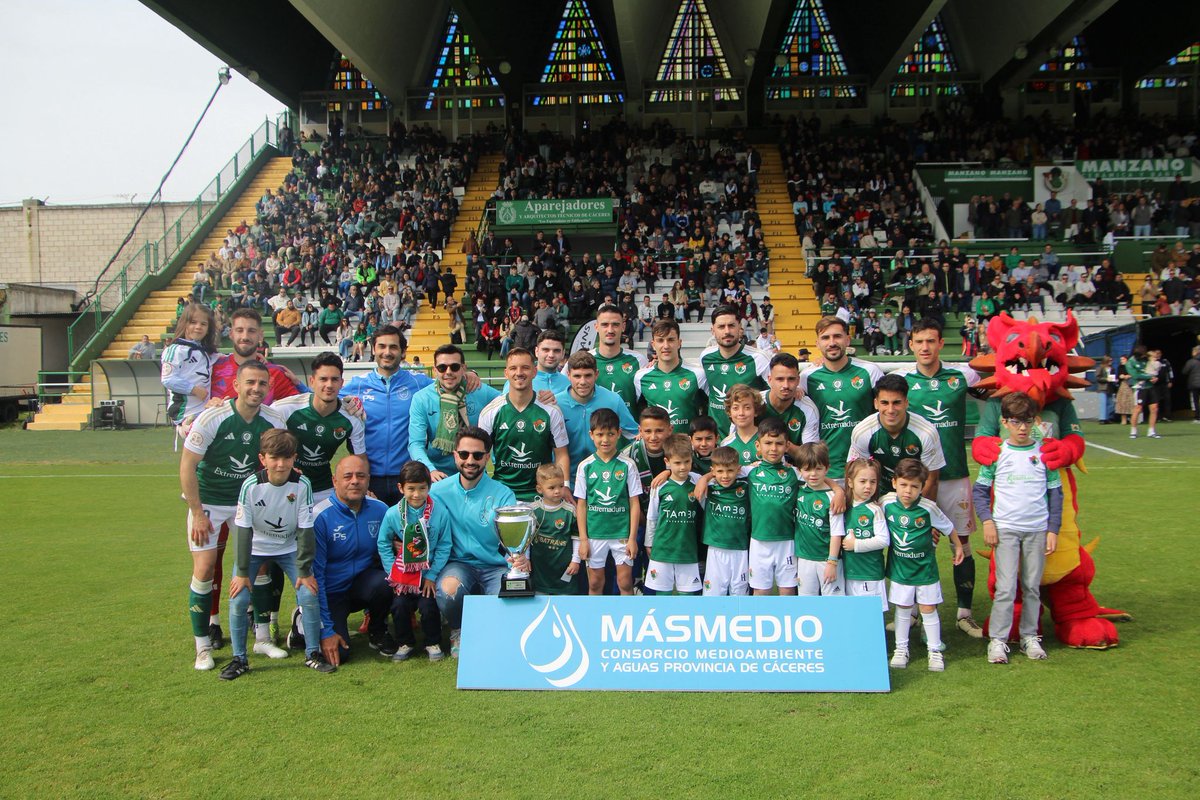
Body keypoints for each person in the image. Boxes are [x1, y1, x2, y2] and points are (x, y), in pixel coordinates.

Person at [180, 361, 286, 670]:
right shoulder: (212, 417)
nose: (256, 388)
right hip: (210, 503)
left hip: (248, 504)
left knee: (261, 566)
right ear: (237, 385)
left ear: (269, 388)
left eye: (262, 383)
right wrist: (197, 512)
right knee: (204, 568)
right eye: (250, 382)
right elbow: (187, 466)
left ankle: (263, 638)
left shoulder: (273, 420)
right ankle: (203, 647)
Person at [891, 319, 984, 635]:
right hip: (917, 481)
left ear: (941, 344)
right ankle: (915, 613)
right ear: (911, 345)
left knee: (962, 543)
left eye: (931, 341)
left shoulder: (962, 376)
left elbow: (996, 378)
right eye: (919, 341)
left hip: (955, 475)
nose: (925, 347)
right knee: (916, 543)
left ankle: (964, 613)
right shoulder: (903, 380)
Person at [220, 430, 329, 679]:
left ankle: (313, 654)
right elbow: (243, 530)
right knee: (238, 598)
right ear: (263, 459)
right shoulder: (250, 485)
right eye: (274, 458)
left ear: (294, 458)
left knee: (308, 594)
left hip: (289, 548)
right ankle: (239, 659)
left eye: (286, 458)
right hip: (255, 549)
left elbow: (305, 529)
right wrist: (242, 572)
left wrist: (304, 570)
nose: (281, 464)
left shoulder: (302, 484)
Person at [975, 392, 1063, 664]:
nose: (1022, 428)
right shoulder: (998, 453)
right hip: (1006, 530)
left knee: (1032, 586)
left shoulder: (1044, 453)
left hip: (1037, 529)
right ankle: (998, 640)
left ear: (1035, 420)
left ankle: (1029, 636)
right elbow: (980, 491)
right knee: (1005, 588)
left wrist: (1053, 529)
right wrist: (987, 521)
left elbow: (1056, 493)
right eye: (1015, 422)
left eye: (1027, 421)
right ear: (1004, 422)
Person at [426, 427, 519, 658]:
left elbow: (514, 538)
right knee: (449, 591)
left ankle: (488, 633)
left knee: (509, 599)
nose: (470, 461)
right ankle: (458, 630)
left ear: (487, 457)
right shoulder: (437, 492)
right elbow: (412, 519)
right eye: (464, 454)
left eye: (477, 455)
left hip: (495, 566)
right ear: (455, 455)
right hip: (457, 565)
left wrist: (519, 558)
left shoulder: (503, 493)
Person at [309, 455, 395, 667]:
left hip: (362, 587)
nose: (355, 481)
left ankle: (377, 630)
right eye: (348, 476)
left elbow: (392, 548)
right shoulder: (320, 516)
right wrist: (326, 631)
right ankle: (302, 622)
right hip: (332, 593)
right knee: (340, 654)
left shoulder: (381, 510)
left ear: (368, 480)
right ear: (334, 481)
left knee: (386, 581)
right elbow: (315, 575)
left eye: (361, 476)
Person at [881, 458, 965, 672]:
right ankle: (901, 649)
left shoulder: (928, 508)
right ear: (894, 482)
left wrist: (958, 546)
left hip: (925, 570)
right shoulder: (886, 502)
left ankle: (934, 651)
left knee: (928, 609)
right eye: (903, 485)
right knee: (903, 608)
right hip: (900, 571)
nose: (908, 491)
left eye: (914, 486)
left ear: (922, 487)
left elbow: (948, 527)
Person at [340, 325, 435, 506]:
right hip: (369, 478)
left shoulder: (419, 382)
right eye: (382, 346)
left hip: (408, 477)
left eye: (393, 347)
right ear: (373, 350)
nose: (387, 352)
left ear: (403, 352)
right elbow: (323, 396)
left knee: (408, 524)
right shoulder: (357, 385)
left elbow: (448, 383)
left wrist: (471, 375)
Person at [799, 316, 885, 484]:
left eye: (837, 336)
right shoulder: (806, 377)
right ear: (817, 343)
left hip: (864, 470)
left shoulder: (870, 371)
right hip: (825, 471)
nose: (831, 343)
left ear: (847, 339)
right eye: (825, 338)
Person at [272, 353, 366, 503]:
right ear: (312, 381)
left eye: (334, 379)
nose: (329, 385)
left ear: (341, 383)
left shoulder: (352, 417)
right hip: (286, 486)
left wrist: (364, 490)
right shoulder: (284, 409)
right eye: (323, 379)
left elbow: (360, 459)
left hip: (324, 489)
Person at [479, 348, 570, 501]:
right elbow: (480, 455)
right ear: (506, 373)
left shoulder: (551, 411)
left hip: (542, 494)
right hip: (503, 493)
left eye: (525, 368)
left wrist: (565, 485)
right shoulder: (490, 412)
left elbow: (561, 454)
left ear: (534, 372)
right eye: (513, 368)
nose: (519, 373)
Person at [377, 461, 444, 662]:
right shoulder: (392, 514)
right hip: (403, 576)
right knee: (399, 606)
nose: (416, 494)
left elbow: (445, 545)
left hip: (427, 575)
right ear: (401, 488)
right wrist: (392, 572)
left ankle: (432, 642)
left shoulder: (439, 512)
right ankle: (404, 642)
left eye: (422, 488)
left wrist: (432, 576)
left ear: (429, 487)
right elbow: (383, 543)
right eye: (411, 489)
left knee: (428, 606)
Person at [575, 408, 643, 596]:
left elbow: (634, 503)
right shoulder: (585, 466)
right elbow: (581, 505)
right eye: (600, 434)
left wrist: (632, 539)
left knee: (625, 582)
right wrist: (583, 539)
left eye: (610, 434)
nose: (605, 439)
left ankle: (627, 614)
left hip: (621, 533)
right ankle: (594, 615)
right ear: (591, 435)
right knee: (595, 583)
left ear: (619, 434)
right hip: (595, 533)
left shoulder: (628, 465)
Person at [409, 344, 501, 481]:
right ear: (434, 370)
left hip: (475, 474)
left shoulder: (479, 391)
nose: (448, 372)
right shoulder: (422, 399)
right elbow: (416, 444)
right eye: (442, 367)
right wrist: (430, 470)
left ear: (463, 368)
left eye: (455, 367)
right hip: (439, 476)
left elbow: (509, 399)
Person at [847, 373, 945, 492]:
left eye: (896, 403)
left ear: (906, 403)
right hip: (877, 493)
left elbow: (931, 480)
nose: (890, 410)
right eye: (884, 403)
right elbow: (855, 475)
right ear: (876, 403)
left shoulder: (926, 433)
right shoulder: (862, 432)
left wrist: (918, 505)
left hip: (912, 495)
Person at [554, 350, 640, 478]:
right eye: (577, 376)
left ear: (596, 374)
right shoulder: (556, 404)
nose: (583, 382)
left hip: (605, 479)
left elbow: (636, 436)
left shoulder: (613, 400)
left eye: (588, 375)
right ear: (568, 375)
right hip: (567, 481)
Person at [744, 417, 801, 596]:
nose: (773, 449)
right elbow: (721, 472)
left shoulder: (795, 473)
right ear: (758, 445)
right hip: (759, 540)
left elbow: (818, 477)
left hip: (787, 540)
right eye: (768, 443)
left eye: (779, 443)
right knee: (761, 591)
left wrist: (837, 491)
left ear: (787, 445)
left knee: (788, 590)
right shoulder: (749, 471)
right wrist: (704, 480)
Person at [643, 433, 702, 595]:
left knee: (688, 596)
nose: (683, 467)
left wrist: (706, 478)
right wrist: (649, 542)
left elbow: (715, 477)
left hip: (687, 550)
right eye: (677, 463)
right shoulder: (659, 485)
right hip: (662, 549)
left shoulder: (697, 481)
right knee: (663, 595)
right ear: (667, 461)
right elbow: (652, 517)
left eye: (687, 462)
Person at [699, 305, 771, 434]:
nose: (727, 331)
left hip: (750, 439)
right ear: (713, 330)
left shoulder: (759, 358)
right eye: (721, 327)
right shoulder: (705, 357)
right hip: (716, 439)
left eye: (731, 325)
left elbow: (774, 394)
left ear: (740, 328)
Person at [633, 319, 708, 433]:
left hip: (686, 443)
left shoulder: (698, 374)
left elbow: (708, 411)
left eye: (671, 340)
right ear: (653, 345)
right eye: (660, 340)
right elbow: (637, 412)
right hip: (656, 443)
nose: (666, 346)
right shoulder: (641, 377)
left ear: (679, 343)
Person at [792, 442, 846, 597]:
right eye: (807, 469)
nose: (813, 474)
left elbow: (836, 533)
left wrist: (832, 562)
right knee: (807, 602)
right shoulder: (799, 489)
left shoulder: (833, 498)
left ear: (827, 469)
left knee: (833, 603)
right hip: (804, 559)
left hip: (826, 560)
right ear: (800, 470)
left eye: (818, 469)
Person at [839, 458, 891, 612]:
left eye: (873, 482)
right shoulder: (844, 506)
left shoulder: (875, 510)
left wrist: (856, 545)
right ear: (850, 482)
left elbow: (884, 540)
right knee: (852, 613)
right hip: (848, 572)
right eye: (863, 481)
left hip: (869, 573)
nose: (868, 486)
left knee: (869, 614)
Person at [699, 445, 750, 596]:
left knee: (739, 595)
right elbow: (683, 476)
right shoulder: (709, 487)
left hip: (740, 549)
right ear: (713, 471)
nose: (725, 476)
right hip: (716, 548)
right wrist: (704, 478)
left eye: (730, 470)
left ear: (738, 469)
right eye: (720, 471)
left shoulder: (746, 486)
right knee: (713, 596)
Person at [160, 303, 218, 429]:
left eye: (203, 324)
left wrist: (254, 356)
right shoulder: (175, 350)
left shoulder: (205, 352)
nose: (198, 327)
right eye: (193, 322)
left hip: (203, 412)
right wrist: (194, 390)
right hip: (186, 414)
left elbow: (224, 358)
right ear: (184, 324)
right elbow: (168, 379)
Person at [530, 464, 582, 596]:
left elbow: (576, 538)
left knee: (565, 605)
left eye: (561, 486)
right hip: (540, 572)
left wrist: (575, 560)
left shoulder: (570, 511)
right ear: (539, 489)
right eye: (552, 488)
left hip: (565, 571)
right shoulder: (533, 511)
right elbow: (526, 541)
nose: (558, 491)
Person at [760, 352, 820, 460]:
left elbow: (811, 457)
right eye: (780, 379)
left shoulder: (808, 408)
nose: (786, 385)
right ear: (769, 380)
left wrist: (783, 444)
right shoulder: (756, 404)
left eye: (791, 379)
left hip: (795, 468)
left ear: (798, 380)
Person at [589, 304, 648, 408]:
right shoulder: (585, 359)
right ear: (596, 327)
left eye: (615, 325)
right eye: (605, 325)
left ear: (623, 327)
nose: (610, 330)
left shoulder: (639, 360)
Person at [502, 329, 571, 396]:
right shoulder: (517, 382)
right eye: (546, 350)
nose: (551, 355)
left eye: (556, 351)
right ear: (536, 351)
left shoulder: (568, 384)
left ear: (563, 353)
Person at [721, 384, 763, 467]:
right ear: (729, 412)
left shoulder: (767, 439)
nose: (741, 413)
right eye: (735, 408)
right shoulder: (725, 444)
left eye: (747, 408)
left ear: (755, 411)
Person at [1125, 345, 1160, 439]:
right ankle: (1133, 431)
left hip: (1150, 386)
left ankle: (1151, 431)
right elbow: (1135, 375)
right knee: (1138, 408)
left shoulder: (1146, 359)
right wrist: (1150, 377)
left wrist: (1155, 377)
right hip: (1139, 387)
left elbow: (1153, 369)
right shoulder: (1130, 362)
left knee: (1154, 408)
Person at [1183, 345, 1200, 423]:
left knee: (1195, 401)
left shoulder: (1191, 361)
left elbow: (1184, 371)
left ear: (1196, 352)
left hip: (1194, 384)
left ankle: (1197, 418)